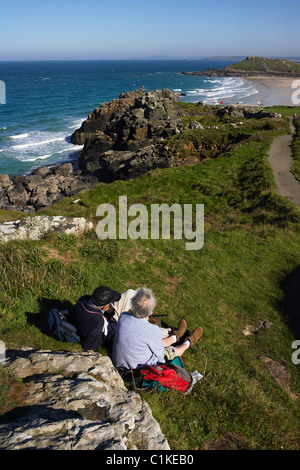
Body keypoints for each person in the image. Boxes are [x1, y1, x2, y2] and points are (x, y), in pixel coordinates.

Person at [112, 287, 203, 371]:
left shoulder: (123, 316)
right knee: (170, 352)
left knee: (152, 341)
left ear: (132, 304)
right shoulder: (152, 329)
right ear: (150, 311)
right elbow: (160, 353)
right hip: (138, 369)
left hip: (119, 363)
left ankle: (176, 336)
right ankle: (188, 342)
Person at [70, 285, 122, 351]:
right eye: (110, 302)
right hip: (111, 330)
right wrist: (110, 312)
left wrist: (109, 311)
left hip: (90, 319)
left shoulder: (83, 299)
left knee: (130, 293)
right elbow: (90, 346)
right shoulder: (98, 321)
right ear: (105, 307)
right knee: (130, 293)